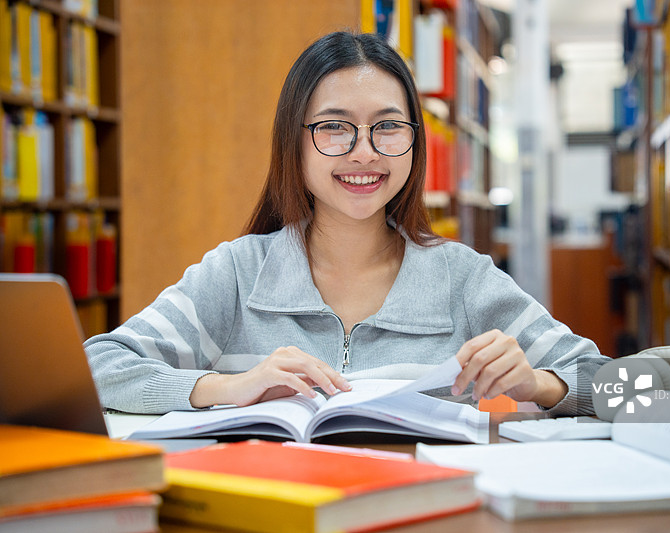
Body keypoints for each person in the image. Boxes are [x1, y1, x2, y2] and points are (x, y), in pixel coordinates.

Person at [85, 31, 609, 416]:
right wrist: (226, 387)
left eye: (387, 127)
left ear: (414, 143)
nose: (364, 153)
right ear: (295, 140)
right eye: (335, 128)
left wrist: (543, 385)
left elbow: (660, 391)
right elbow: (96, 366)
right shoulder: (239, 273)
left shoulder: (464, 280)